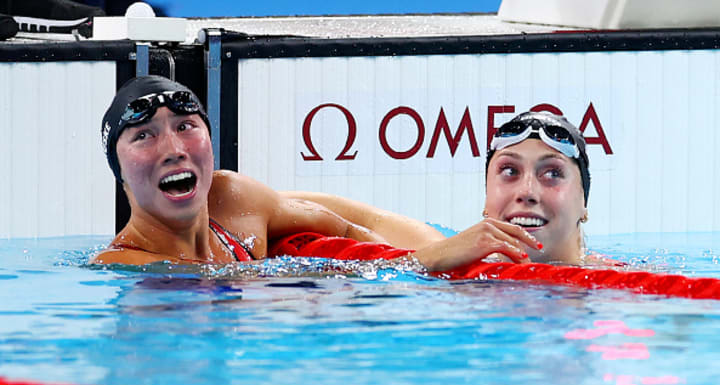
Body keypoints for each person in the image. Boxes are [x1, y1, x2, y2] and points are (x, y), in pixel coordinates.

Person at [91, 75, 541, 269]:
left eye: (186, 127)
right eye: (144, 136)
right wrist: (428, 262)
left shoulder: (233, 199)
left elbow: (363, 227)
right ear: (119, 171)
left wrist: (457, 253)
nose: (173, 149)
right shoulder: (123, 263)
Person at [293, 111, 614, 266]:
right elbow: (346, 219)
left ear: (584, 200)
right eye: (509, 171)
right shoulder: (445, 250)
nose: (527, 191)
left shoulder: (620, 286)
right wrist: (433, 258)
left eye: (552, 173)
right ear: (487, 199)